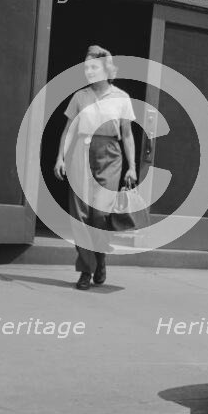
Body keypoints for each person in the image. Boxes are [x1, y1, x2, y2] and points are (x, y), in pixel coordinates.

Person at [54, 46, 137, 290]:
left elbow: (127, 134)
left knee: (100, 215)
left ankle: (99, 259)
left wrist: (132, 167)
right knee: (80, 215)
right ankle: (85, 271)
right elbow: (68, 130)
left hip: (110, 155)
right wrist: (60, 157)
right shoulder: (80, 97)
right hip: (80, 151)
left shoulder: (121, 97)